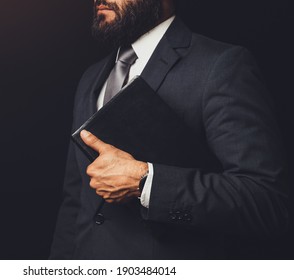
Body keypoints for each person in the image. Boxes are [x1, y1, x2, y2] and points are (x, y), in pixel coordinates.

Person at [49, 0, 290, 259]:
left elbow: (267, 202)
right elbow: (75, 202)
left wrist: (145, 182)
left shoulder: (221, 65)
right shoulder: (91, 77)